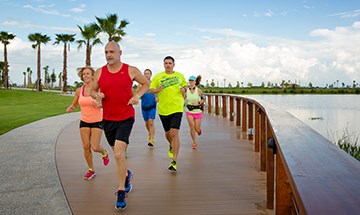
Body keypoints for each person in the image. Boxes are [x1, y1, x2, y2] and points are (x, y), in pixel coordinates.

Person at [91, 41, 149, 210]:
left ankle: (121, 190)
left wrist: (137, 95)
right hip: (108, 119)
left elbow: (145, 83)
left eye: (112, 52)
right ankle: (127, 175)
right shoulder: (100, 72)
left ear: (120, 52)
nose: (109, 55)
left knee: (118, 154)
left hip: (126, 117)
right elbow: (92, 91)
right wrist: (97, 95)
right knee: (118, 155)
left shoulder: (130, 70)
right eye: (106, 52)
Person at [66, 66, 110, 180]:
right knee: (86, 147)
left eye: (88, 73)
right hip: (84, 121)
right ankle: (91, 170)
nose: (85, 76)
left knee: (94, 147)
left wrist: (100, 105)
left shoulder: (98, 90)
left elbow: (106, 104)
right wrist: (71, 107)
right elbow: (75, 104)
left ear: (92, 76)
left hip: (97, 121)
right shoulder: (79, 90)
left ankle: (104, 152)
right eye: (84, 74)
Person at [149, 56, 187, 172]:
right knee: (168, 133)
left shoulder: (179, 76)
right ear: (163, 64)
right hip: (163, 109)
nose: (168, 65)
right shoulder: (158, 77)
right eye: (166, 63)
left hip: (177, 108)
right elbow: (151, 90)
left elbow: (185, 88)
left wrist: (183, 91)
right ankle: (171, 145)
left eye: (170, 63)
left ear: (174, 64)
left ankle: (174, 161)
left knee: (175, 133)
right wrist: (157, 90)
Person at [184, 75, 206, 149]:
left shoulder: (198, 90)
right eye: (190, 80)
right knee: (192, 128)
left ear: (195, 82)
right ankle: (194, 142)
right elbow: (182, 98)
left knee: (197, 129)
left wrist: (198, 102)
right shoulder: (186, 90)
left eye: (192, 81)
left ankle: (199, 131)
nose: (191, 82)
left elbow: (204, 99)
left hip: (197, 111)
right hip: (189, 111)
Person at [138, 69, 157, 147]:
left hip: (152, 106)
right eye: (145, 74)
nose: (146, 75)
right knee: (147, 123)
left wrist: (157, 98)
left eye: (148, 73)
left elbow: (158, 92)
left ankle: (151, 140)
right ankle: (150, 132)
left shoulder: (153, 84)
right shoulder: (140, 85)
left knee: (151, 122)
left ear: (150, 75)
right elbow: (138, 94)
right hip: (144, 107)